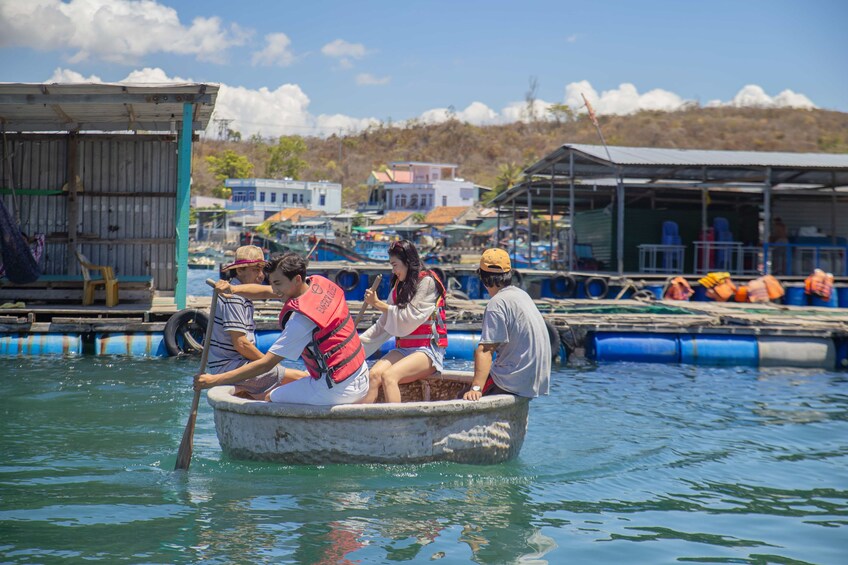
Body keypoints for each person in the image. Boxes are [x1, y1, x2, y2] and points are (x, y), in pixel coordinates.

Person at [194, 252, 369, 405]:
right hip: (360, 374)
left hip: (338, 390)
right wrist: (233, 289)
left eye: (278, 284)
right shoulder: (319, 284)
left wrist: (214, 380)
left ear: (297, 279)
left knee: (271, 397)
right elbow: (264, 292)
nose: (275, 290)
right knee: (298, 380)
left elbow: (266, 364)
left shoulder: (301, 320)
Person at [206, 245, 307, 399]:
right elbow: (241, 344)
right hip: (230, 367)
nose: (261, 275)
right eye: (255, 270)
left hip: (236, 363)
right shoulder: (234, 298)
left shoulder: (240, 293)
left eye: (262, 270)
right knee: (302, 378)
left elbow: (270, 291)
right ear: (240, 271)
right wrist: (270, 364)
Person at [358, 239, 448, 403]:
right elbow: (383, 325)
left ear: (407, 262)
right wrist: (354, 346)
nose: (393, 271)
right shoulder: (398, 286)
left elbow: (408, 316)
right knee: (374, 375)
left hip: (426, 350)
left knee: (389, 376)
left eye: (395, 265)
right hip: (404, 349)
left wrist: (377, 304)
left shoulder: (427, 282)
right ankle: (364, 420)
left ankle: (395, 426)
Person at [463, 248, 551, 401]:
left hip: (512, 380)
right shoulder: (521, 295)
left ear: (483, 278)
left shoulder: (496, 304)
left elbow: (485, 351)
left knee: (460, 397)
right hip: (533, 381)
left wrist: (476, 388)